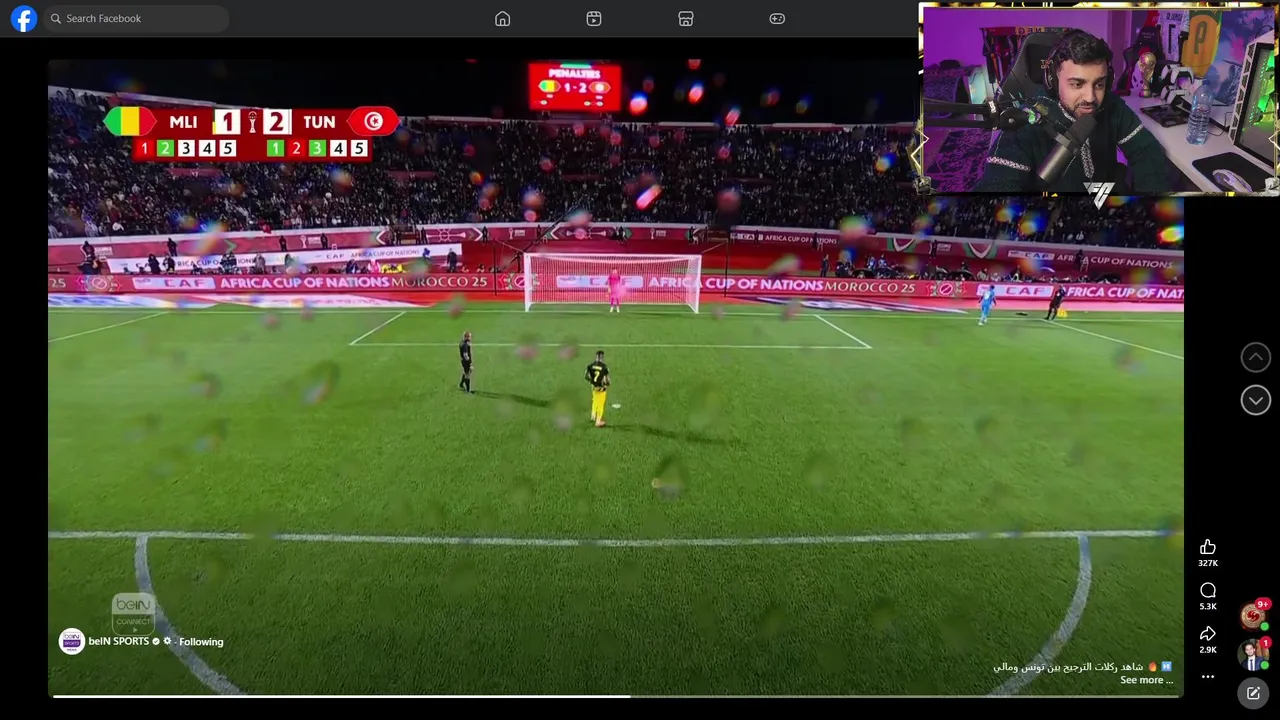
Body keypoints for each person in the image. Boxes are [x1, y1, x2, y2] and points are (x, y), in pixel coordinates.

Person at [972, 30, 1170, 194]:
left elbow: (1145, 151)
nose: (1090, 97)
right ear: (1053, 80)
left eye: (1099, 84)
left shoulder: (1111, 105)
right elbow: (997, 185)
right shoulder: (1028, 119)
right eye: (1077, 84)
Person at [585, 350, 610, 427]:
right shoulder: (604, 367)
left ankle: (593, 415)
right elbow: (606, 380)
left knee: (595, 400)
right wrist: (607, 384)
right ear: (602, 357)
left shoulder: (590, 366)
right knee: (601, 404)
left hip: (594, 387)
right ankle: (598, 421)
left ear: (596, 356)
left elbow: (586, 376)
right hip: (601, 388)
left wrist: (592, 382)